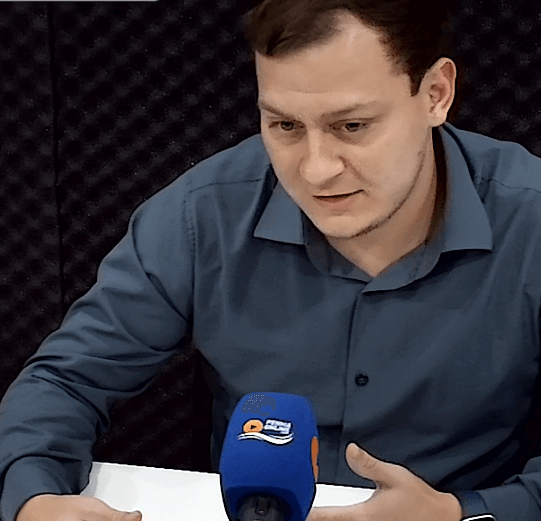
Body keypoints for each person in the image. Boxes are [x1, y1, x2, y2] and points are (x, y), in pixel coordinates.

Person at [1, 0, 540, 520]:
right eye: (285, 126)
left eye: (352, 126)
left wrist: (461, 513)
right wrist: (33, 498)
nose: (316, 169)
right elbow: (67, 382)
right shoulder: (204, 214)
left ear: (436, 94)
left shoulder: (531, 221)